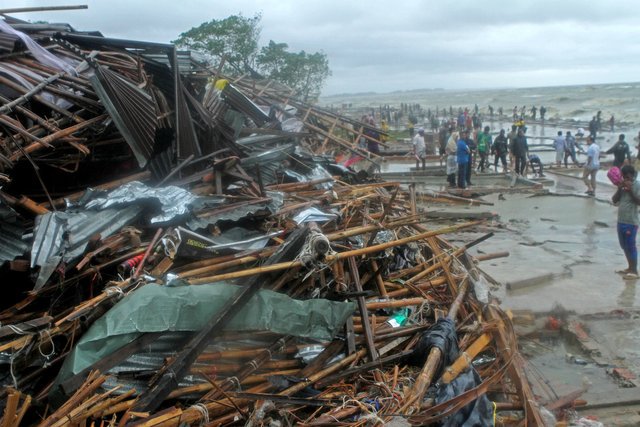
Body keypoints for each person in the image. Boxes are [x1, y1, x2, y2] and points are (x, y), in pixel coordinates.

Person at [612, 164, 640, 279]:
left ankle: (634, 271)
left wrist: (630, 190)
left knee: (630, 245)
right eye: (623, 177)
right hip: (621, 220)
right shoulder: (622, 186)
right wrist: (620, 188)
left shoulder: (637, 185)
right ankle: (629, 267)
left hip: (631, 221)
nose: (625, 179)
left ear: (631, 175)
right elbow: (614, 200)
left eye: (626, 177)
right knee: (624, 245)